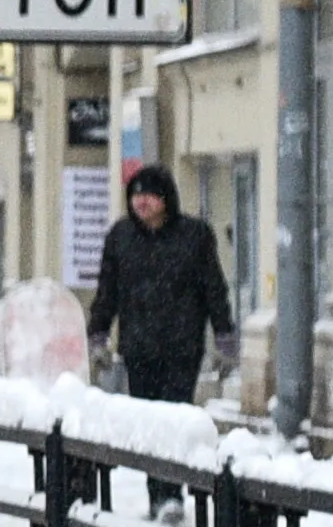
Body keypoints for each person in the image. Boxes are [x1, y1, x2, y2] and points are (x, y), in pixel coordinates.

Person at [87, 161, 233, 406]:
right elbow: (107, 291)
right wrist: (98, 333)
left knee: (174, 412)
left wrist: (224, 334)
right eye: (136, 195)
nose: (142, 202)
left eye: (150, 195)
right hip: (137, 347)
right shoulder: (121, 237)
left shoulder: (194, 235)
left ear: (166, 199)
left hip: (182, 346)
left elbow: (213, 289)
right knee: (144, 413)